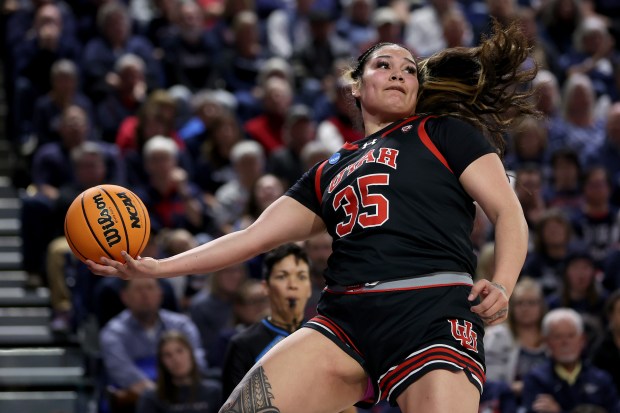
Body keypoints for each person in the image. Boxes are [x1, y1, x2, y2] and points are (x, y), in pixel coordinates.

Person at [88, 21, 536, 413]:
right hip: (345, 317)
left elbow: (508, 212)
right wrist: (156, 267)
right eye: (384, 65)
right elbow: (250, 237)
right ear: (356, 86)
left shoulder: (444, 133)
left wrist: (503, 283)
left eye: (408, 70)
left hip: (432, 307)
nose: (399, 72)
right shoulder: (328, 170)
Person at [221, 243, 312, 399]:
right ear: (266, 287)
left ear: (309, 288)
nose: (293, 285)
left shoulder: (325, 338)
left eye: (301, 276)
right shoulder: (243, 345)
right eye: (282, 276)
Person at [521, 308, 620, 413]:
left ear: (582, 340)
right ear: (546, 341)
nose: (565, 342)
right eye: (558, 337)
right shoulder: (536, 380)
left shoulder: (601, 380)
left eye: (571, 336)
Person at [136, 330, 222, 413]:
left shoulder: (214, 392)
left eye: (180, 351)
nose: (176, 359)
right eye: (168, 355)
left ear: (190, 353)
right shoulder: (151, 398)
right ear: (162, 362)